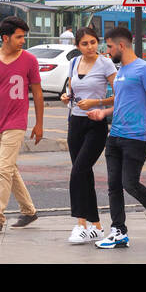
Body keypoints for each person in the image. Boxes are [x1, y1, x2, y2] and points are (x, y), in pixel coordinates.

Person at [90, 26, 146, 248]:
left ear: (121, 45)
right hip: (115, 135)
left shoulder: (144, 69)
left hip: (136, 137)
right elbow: (121, 102)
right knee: (113, 186)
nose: (107, 51)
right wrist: (104, 113)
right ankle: (118, 232)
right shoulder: (122, 71)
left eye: (109, 46)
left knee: (130, 183)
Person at [0, 16, 44, 234]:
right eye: (19, 37)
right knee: (9, 170)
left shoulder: (30, 60)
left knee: (3, 169)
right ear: (6, 37)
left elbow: (38, 94)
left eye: (24, 37)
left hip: (17, 122)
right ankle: (29, 211)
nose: (23, 41)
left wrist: (39, 124)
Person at [60, 26, 116, 243]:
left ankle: (79, 224)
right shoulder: (74, 63)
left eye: (93, 42)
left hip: (96, 123)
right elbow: (71, 90)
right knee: (84, 174)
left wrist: (98, 103)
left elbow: (121, 94)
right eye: (85, 43)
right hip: (75, 121)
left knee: (78, 171)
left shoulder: (106, 63)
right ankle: (96, 227)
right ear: (78, 46)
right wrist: (66, 96)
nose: (90, 47)